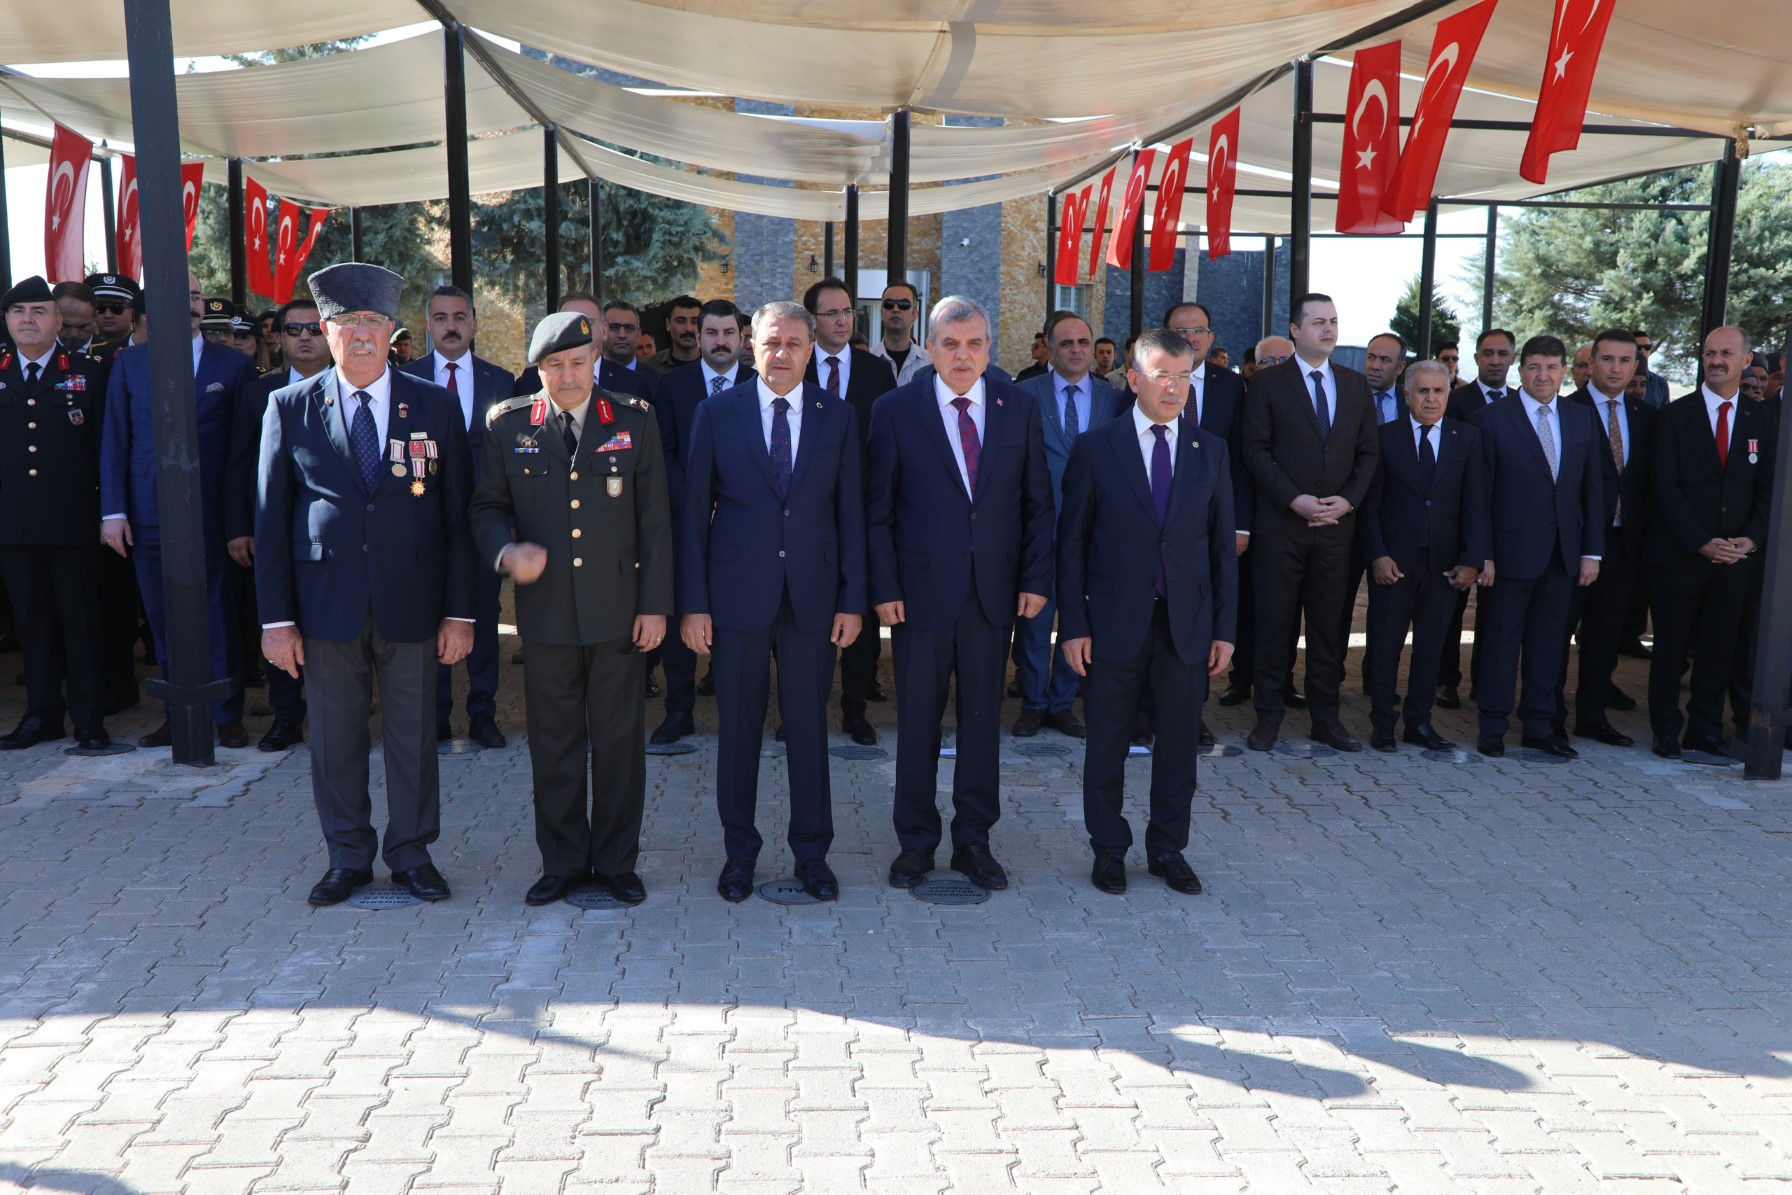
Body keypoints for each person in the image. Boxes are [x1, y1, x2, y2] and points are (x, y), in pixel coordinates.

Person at [255, 262, 476, 906]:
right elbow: (270, 521)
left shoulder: (433, 404)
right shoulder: (288, 407)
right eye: (346, 323)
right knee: (333, 739)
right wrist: (276, 621)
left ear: (391, 333)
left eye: (373, 323)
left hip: (413, 601)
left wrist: (460, 612)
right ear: (325, 332)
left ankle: (411, 854)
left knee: (414, 735)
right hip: (326, 607)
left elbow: (456, 518)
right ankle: (347, 855)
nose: (360, 335)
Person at [471, 311, 672, 906]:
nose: (567, 375)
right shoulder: (507, 424)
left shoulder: (633, 420)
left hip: (618, 610)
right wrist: (506, 551)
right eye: (554, 365)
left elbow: (656, 521)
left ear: (597, 362)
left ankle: (614, 863)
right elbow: (485, 507)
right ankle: (561, 862)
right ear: (537, 369)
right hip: (548, 613)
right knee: (553, 744)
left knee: (618, 745)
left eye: (578, 363)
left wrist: (656, 606)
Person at [680, 301, 866, 903]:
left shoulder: (836, 416)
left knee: (809, 730)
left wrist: (852, 599)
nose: (780, 353)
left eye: (793, 343)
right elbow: (692, 518)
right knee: (737, 730)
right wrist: (694, 604)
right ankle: (740, 855)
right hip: (736, 595)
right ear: (748, 346)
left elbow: (852, 515)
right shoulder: (716, 412)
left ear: (812, 348)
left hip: (813, 597)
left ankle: (813, 855)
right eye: (770, 342)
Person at [867, 295, 1053, 892]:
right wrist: (885, 585)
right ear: (931, 346)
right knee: (917, 723)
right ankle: (916, 844)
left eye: (974, 344)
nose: (963, 355)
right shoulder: (895, 410)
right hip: (918, 597)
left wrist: (1034, 579)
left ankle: (975, 840)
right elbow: (878, 513)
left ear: (989, 348)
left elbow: (1037, 504)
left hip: (993, 595)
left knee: (981, 724)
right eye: (951, 343)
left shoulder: (1018, 408)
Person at [1056, 328, 1238, 897]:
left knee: (1180, 746)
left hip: (1186, 626)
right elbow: (1071, 546)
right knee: (1106, 743)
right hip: (1112, 624)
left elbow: (1220, 552)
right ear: (1133, 379)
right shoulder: (1096, 447)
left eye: (1184, 375)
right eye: (1163, 374)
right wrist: (1074, 625)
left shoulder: (1209, 450)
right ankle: (1109, 849)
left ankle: (1167, 848)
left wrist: (1225, 630)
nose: (1175, 386)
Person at [102, 273, 254, 749]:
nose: (189, 304)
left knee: (216, 615)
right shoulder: (129, 363)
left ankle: (226, 713)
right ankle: (178, 713)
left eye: (194, 296)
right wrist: (113, 512)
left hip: (211, 515)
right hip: (148, 513)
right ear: (151, 309)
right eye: (178, 295)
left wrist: (238, 522)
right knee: (164, 616)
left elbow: (241, 453)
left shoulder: (232, 366)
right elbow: (116, 440)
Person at [1241, 293, 1379, 753]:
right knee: (1274, 625)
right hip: (1282, 527)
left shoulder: (1355, 385)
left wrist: (1348, 501)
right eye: (1318, 321)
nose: (1329, 329)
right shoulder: (1268, 384)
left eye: (1334, 321)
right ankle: (1268, 717)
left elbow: (1368, 453)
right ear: (1296, 330)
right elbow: (1254, 450)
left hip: (1336, 529)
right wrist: (1293, 499)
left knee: (1327, 628)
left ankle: (1326, 717)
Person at [1470, 334, 1603, 758]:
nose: (1542, 375)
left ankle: (1540, 726)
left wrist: (1591, 552)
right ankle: (1492, 724)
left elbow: (1593, 490)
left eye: (1551, 367)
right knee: (1499, 644)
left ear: (1565, 371)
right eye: (1533, 367)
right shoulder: (1491, 419)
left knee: (1550, 645)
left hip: (1563, 553)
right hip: (1508, 554)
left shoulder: (1581, 418)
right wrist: (1483, 553)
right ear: (1519, 370)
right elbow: (1480, 494)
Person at [1646, 326, 1775, 759]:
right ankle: (1666, 730)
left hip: (1736, 560)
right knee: (1670, 650)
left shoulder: (1764, 419)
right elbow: (1664, 488)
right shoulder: (1673, 416)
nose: (1716, 360)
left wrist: (1750, 540)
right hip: (1681, 556)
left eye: (1725, 353)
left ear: (1746, 360)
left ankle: (1704, 730)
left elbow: (1769, 489)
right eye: (1709, 353)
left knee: (1719, 649)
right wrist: (1701, 541)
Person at [400, 285, 517, 748]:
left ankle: (483, 713)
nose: (451, 325)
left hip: (483, 523)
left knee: (484, 617)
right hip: (425, 521)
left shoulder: (502, 381)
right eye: (441, 317)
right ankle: (437, 714)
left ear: (474, 324)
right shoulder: (406, 380)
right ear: (427, 325)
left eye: (460, 317)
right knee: (432, 617)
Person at [0, 277, 112, 751]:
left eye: (38, 311)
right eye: (18, 311)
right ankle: (42, 714)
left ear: (57, 319)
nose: (28, 319)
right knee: (32, 623)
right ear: (6, 321)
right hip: (13, 524)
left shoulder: (88, 371)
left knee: (81, 623)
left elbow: (109, 448)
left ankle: (89, 718)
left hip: (73, 521)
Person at [226, 297, 334, 752]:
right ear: (279, 337)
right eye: (295, 330)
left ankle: (337, 721)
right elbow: (238, 464)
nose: (305, 337)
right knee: (278, 620)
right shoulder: (258, 391)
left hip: (332, 538)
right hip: (273, 533)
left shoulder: (356, 388)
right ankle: (287, 716)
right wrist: (238, 527)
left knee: (335, 628)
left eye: (314, 329)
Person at [1359, 360, 1485, 752]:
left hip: (1445, 566)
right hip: (1393, 565)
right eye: (1423, 391)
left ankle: (1419, 723)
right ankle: (1382, 723)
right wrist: (1377, 555)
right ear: (1407, 394)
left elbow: (1476, 504)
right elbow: (1369, 505)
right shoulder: (1383, 437)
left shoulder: (1467, 438)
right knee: (1384, 648)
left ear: (1449, 394)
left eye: (1439, 391)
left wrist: (1472, 559)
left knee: (1431, 649)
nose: (1432, 398)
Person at [1014, 310, 1124, 739]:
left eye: (1083, 343)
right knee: (1034, 620)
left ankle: (1062, 704)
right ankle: (1031, 703)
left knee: (1078, 619)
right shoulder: (1022, 396)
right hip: (1037, 530)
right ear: (1049, 349)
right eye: (1066, 344)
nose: (1076, 351)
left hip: (1092, 533)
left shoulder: (1114, 399)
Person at [650, 299, 753, 745]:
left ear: (741, 337)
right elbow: (664, 454)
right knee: (681, 621)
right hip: (685, 524)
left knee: (739, 618)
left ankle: (738, 710)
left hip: (744, 524)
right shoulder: (672, 386)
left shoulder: (759, 383)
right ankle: (680, 711)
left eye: (728, 333)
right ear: (699, 336)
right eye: (711, 333)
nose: (720, 341)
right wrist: (695, 501)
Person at [802, 276, 897, 746]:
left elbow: (885, 448)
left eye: (847, 313)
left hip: (861, 513)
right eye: (832, 313)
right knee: (808, 616)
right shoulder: (795, 368)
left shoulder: (875, 371)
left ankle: (855, 711)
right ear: (811, 321)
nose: (843, 321)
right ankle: (802, 710)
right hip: (808, 514)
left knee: (860, 617)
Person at [1561, 329, 1653, 747]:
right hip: (1571, 541)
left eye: (1625, 361)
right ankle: (1547, 713)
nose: (1615, 368)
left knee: (1603, 638)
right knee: (1555, 633)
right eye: (1607, 359)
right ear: (1590, 364)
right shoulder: (1564, 410)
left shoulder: (1647, 415)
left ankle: (1591, 717)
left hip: (1622, 544)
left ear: (1635, 366)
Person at [1218, 334, 1295, 710]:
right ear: (1252, 368)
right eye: (1268, 362)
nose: (1276, 368)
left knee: (1283, 609)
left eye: (1285, 361)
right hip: (1249, 522)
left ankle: (1286, 681)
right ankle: (1240, 677)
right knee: (1245, 605)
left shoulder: (1305, 403)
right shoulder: (1241, 400)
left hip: (1289, 523)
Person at [1446, 328, 1516, 421]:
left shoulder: (1521, 401)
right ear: (1477, 358)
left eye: (1502, 354)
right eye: (1488, 354)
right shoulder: (1455, 400)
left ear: (1513, 358)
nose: (1495, 362)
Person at [868, 281, 928, 387]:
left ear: (915, 314)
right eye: (889, 305)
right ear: (882, 312)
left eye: (903, 305)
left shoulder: (930, 363)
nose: (895, 309)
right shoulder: (866, 360)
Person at [646, 294, 702, 373]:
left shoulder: (717, 366)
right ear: (668, 324)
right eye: (680, 321)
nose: (688, 329)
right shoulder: (648, 368)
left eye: (694, 322)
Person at [85, 274, 140, 348]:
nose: (108, 315)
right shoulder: (81, 348)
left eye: (116, 308)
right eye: (101, 307)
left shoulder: (145, 349)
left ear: (132, 313)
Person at [1633, 330, 1671, 409]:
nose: (1643, 351)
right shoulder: (1621, 380)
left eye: (1647, 347)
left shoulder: (1660, 383)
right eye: (1638, 347)